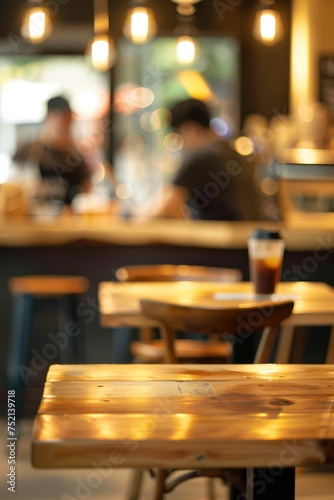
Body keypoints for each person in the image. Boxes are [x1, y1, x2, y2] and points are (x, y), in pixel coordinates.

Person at [147, 98, 265, 221]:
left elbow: (162, 209)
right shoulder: (230, 152)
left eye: (180, 137)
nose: (182, 146)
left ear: (191, 130)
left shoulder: (202, 158)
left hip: (227, 238)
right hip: (249, 236)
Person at [12, 95, 91, 205]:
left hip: (65, 222)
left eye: (69, 119)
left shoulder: (76, 158)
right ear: (49, 117)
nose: (66, 125)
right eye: (62, 118)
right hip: (31, 221)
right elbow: (13, 193)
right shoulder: (27, 152)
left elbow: (87, 195)